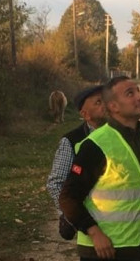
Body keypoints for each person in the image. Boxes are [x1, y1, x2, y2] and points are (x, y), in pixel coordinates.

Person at [59, 76, 140, 260]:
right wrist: (94, 232)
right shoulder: (96, 144)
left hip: (139, 247)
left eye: (138, 91)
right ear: (113, 106)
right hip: (104, 251)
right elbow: (68, 197)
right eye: (130, 93)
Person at [46, 85, 107, 240]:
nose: (105, 105)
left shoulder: (122, 136)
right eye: (98, 103)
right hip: (90, 230)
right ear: (85, 114)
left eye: (106, 100)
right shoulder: (72, 141)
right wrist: (72, 215)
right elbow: (56, 183)